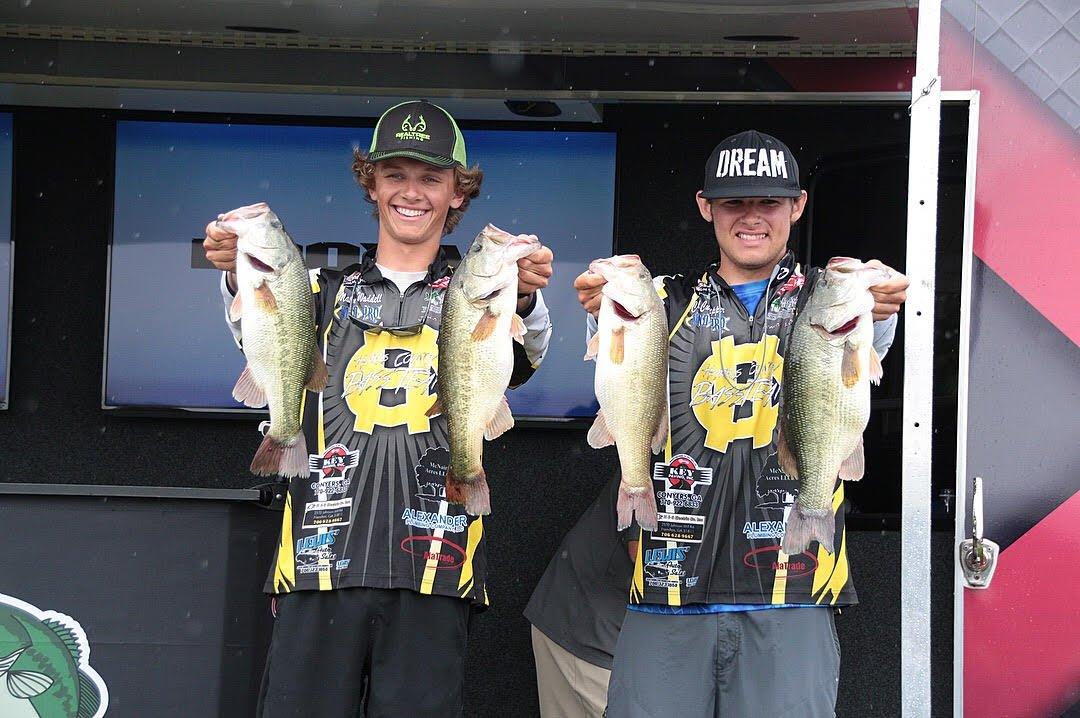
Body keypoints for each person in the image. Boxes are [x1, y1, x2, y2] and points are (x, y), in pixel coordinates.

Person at [203, 99, 554, 718]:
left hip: (436, 570)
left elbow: (524, 359)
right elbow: (256, 328)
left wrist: (522, 299)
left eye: (430, 177)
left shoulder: (480, 289)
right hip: (317, 569)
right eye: (395, 174)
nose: (410, 192)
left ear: (457, 193)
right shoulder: (318, 290)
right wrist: (236, 274)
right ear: (371, 183)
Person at [570, 129, 909, 717]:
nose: (752, 217)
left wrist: (877, 303)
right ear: (706, 208)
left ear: (798, 205)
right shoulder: (659, 302)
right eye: (734, 202)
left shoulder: (828, 302)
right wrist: (590, 306)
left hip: (795, 594)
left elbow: (866, 351)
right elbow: (617, 379)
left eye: (769, 202)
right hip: (666, 592)